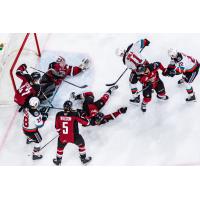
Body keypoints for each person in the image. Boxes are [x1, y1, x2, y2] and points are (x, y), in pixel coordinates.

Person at [53, 100, 91, 166]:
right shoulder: (74, 114)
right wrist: (83, 115)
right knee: (82, 145)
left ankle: (58, 161)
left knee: (60, 148)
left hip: (63, 137)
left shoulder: (58, 114)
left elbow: (57, 127)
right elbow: (87, 122)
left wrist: (61, 133)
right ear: (71, 107)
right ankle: (83, 159)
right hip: (75, 137)